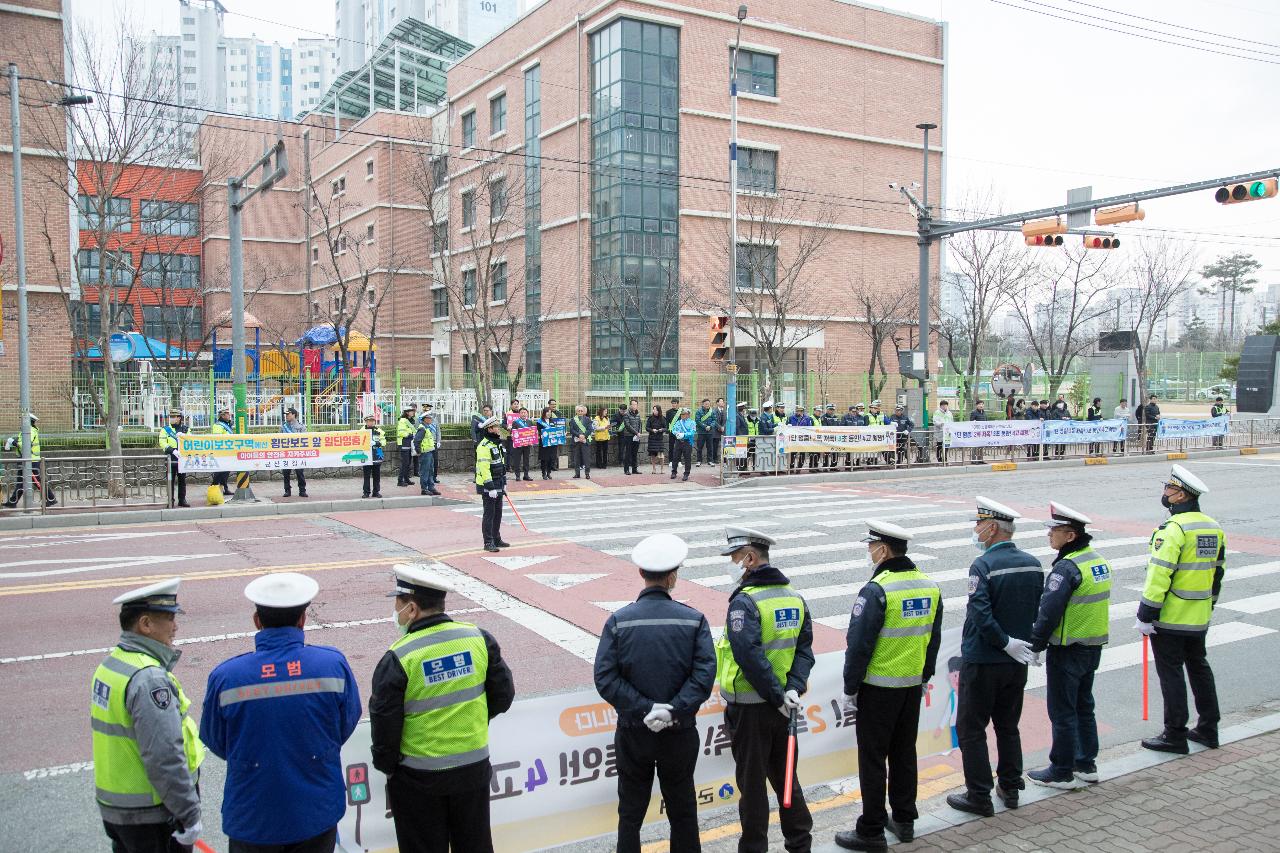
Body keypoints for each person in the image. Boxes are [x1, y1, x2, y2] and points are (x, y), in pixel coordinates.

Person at [201, 573, 361, 853]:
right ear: (303, 619)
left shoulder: (227, 677)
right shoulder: (332, 665)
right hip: (316, 811)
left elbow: (215, 740)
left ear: (257, 620)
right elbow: (346, 723)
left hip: (253, 815)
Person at [370, 564, 515, 853]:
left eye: (397, 603)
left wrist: (388, 767)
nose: (395, 609)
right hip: (472, 771)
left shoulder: (400, 657)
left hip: (418, 779)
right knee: (474, 845)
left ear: (411, 609)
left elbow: (385, 726)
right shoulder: (478, 639)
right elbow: (503, 696)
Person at [594, 533, 715, 853]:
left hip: (634, 732)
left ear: (640, 574)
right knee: (683, 809)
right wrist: (672, 710)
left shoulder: (619, 621)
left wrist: (644, 708)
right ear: (673, 576)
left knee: (630, 813)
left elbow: (605, 678)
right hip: (679, 732)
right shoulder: (693, 620)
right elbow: (704, 676)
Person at [835, 522, 943, 851]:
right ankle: (905, 820)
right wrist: (924, 677)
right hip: (911, 686)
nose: (869, 553)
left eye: (871, 547)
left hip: (878, 688)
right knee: (903, 753)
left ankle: (871, 829)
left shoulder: (877, 590)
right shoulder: (929, 585)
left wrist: (850, 687)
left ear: (883, 550)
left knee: (872, 759)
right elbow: (932, 639)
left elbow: (859, 644)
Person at [715, 527, 815, 853]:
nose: (732, 565)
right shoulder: (795, 598)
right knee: (787, 779)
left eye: (734, 558)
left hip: (751, 709)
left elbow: (749, 657)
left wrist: (777, 694)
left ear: (750, 558)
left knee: (753, 785)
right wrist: (793, 690)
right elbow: (804, 650)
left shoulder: (745, 602)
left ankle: (753, 848)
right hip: (785, 707)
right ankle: (800, 844)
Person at [946, 497, 1044, 818]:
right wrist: (1029, 645)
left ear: (991, 528)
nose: (975, 530)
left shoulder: (983, 566)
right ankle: (1011, 787)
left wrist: (1004, 643)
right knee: (1007, 725)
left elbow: (980, 614)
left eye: (978, 524)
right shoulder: (1033, 563)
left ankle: (979, 795)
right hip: (1016, 663)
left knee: (971, 728)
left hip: (985, 660)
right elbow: (1038, 611)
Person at [92, 578, 204, 853]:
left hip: (117, 808)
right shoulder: (149, 679)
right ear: (145, 624)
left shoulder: (111, 664)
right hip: (152, 814)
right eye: (169, 618)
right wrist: (188, 814)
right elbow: (164, 755)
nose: (175, 626)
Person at [1136, 465, 1225, 754]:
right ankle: (1208, 729)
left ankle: (1175, 734)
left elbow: (1160, 573)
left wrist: (1146, 613)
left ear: (1181, 495)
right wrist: (1209, 605)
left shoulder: (1174, 529)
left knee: (1171, 673)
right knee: (1199, 668)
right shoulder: (1212, 526)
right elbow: (1218, 573)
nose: (1164, 493)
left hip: (1171, 616)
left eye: (1169, 489)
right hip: (1199, 616)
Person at [1025, 503, 1110, 790]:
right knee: (1084, 706)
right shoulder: (1096, 560)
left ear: (1070, 536)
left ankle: (1061, 771)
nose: (1050, 535)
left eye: (1055, 531)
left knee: (1062, 711)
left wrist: (1036, 643)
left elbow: (1049, 610)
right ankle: (1086, 764)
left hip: (1067, 647)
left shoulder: (1066, 567)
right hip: (1092, 645)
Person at [476, 416, 510, 552]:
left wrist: (504, 482)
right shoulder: (484, 446)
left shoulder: (497, 443)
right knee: (489, 514)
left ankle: (496, 538)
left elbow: (501, 465)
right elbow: (484, 468)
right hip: (488, 484)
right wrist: (490, 487)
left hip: (498, 481)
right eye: (496, 427)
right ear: (490, 429)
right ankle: (488, 542)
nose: (498, 429)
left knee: (498, 513)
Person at [159, 411, 190, 508]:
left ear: (179, 418)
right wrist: (172, 450)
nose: (171, 418)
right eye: (170, 416)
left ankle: (182, 499)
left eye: (174, 416)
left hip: (182, 458)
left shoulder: (185, 429)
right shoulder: (165, 429)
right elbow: (162, 442)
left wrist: (184, 437)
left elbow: (191, 441)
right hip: (170, 458)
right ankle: (170, 500)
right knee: (170, 480)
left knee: (182, 480)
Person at [281, 407, 309, 498]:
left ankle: (302, 490)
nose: (286, 416)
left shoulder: (301, 427)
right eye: (286, 415)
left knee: (299, 472)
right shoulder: (283, 426)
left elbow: (305, 440)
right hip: (286, 453)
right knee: (286, 472)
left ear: (294, 415)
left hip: (297, 453)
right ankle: (287, 490)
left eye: (288, 414)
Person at [415, 411, 442, 496]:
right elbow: (417, 441)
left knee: (431, 470)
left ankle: (431, 487)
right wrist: (419, 452)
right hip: (425, 453)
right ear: (425, 419)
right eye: (429, 418)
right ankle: (424, 489)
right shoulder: (422, 428)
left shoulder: (427, 428)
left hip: (430, 452)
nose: (431, 420)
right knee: (425, 471)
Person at [212, 408, 235, 496]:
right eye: (228, 414)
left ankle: (224, 488)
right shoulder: (218, 425)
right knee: (219, 471)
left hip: (228, 451)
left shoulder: (227, 425)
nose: (230, 416)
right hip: (221, 452)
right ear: (222, 415)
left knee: (226, 471)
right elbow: (218, 439)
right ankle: (214, 487)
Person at [362, 414, 385, 499]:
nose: (371, 422)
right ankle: (366, 492)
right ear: (366, 422)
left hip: (376, 455)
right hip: (366, 456)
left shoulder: (379, 431)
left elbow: (384, 442)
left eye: (372, 421)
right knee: (366, 475)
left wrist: (376, 443)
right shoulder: (362, 431)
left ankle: (376, 492)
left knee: (377, 475)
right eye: (369, 421)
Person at [669, 408, 695, 481]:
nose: (682, 416)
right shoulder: (678, 422)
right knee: (675, 457)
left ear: (688, 415)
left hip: (687, 442)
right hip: (678, 442)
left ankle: (686, 473)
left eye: (683, 414)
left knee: (687, 458)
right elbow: (674, 429)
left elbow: (692, 433)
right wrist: (676, 433)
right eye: (681, 414)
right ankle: (674, 472)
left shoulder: (692, 423)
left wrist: (684, 434)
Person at [786, 404, 813, 472]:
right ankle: (791, 468)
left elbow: (809, 428)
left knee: (802, 454)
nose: (799, 412)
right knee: (793, 453)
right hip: (794, 438)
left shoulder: (807, 418)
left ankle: (799, 468)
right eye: (798, 411)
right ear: (796, 411)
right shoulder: (791, 418)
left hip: (803, 439)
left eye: (801, 411)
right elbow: (787, 426)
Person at [509, 408, 534, 482]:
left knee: (526, 460)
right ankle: (517, 475)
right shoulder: (515, 422)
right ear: (519, 414)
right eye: (522, 412)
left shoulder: (529, 422)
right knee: (517, 460)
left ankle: (526, 475)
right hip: (518, 445)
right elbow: (513, 432)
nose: (523, 414)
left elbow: (531, 432)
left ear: (527, 413)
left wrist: (532, 440)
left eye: (525, 412)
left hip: (527, 445)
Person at [569, 404, 594, 480]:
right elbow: (571, 430)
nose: (580, 412)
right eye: (578, 411)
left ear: (584, 412)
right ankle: (577, 474)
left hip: (585, 441)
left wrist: (584, 436)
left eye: (581, 411)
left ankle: (587, 473)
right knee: (576, 458)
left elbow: (590, 429)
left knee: (586, 458)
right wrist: (579, 435)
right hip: (576, 441)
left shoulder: (588, 419)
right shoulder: (573, 420)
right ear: (576, 411)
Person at [396, 405, 418, 487]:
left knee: (408, 463)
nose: (413, 412)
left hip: (409, 443)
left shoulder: (410, 420)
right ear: (407, 412)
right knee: (404, 463)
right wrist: (410, 434)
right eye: (411, 411)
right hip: (404, 443)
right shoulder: (403, 421)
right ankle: (400, 480)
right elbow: (401, 433)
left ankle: (406, 479)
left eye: (413, 411)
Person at [620, 400, 643, 475]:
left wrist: (639, 432)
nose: (634, 406)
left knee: (635, 453)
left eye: (636, 404)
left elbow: (640, 424)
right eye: (633, 404)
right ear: (630, 405)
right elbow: (627, 425)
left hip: (636, 437)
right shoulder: (626, 414)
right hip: (629, 436)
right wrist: (636, 433)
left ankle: (634, 469)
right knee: (628, 453)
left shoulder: (638, 414)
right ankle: (626, 470)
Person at [536, 406, 558, 481]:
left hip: (552, 443)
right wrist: (541, 434)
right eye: (547, 412)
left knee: (551, 458)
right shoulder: (540, 421)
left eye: (550, 412)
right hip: (544, 443)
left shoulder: (552, 421)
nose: (549, 413)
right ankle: (543, 473)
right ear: (544, 413)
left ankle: (549, 472)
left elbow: (555, 430)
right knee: (544, 459)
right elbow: (538, 431)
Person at [646, 404, 668, 474]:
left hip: (659, 439)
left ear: (658, 411)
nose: (654, 411)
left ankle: (662, 469)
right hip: (652, 438)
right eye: (653, 409)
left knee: (661, 455)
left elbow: (666, 428)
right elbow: (647, 428)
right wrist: (652, 430)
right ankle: (654, 469)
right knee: (653, 455)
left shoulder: (663, 418)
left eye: (655, 409)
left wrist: (662, 429)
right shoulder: (650, 418)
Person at [694, 399, 715, 466]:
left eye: (708, 404)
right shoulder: (698, 411)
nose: (707, 405)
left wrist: (710, 426)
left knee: (710, 447)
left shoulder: (712, 411)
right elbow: (697, 421)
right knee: (699, 447)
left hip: (710, 432)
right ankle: (699, 461)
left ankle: (710, 461)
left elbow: (714, 420)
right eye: (706, 404)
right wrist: (705, 426)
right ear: (703, 404)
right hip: (701, 432)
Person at [611, 402, 629, 467]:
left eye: (624, 411)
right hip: (621, 435)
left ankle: (628, 462)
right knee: (621, 449)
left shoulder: (628, 415)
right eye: (622, 411)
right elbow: (612, 424)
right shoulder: (616, 415)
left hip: (628, 434)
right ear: (619, 409)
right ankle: (621, 462)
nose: (623, 412)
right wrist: (615, 431)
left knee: (629, 449)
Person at [665, 397, 681, 464]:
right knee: (671, 447)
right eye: (673, 403)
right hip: (671, 432)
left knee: (679, 447)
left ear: (677, 404)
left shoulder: (681, 411)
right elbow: (667, 422)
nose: (674, 405)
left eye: (675, 403)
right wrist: (667, 430)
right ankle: (671, 461)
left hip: (679, 432)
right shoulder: (668, 412)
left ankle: (679, 461)